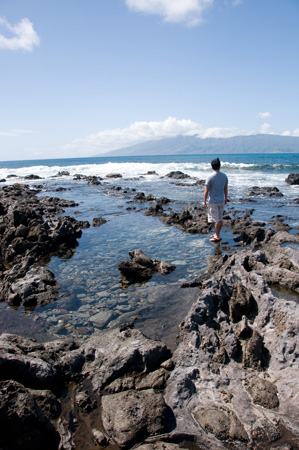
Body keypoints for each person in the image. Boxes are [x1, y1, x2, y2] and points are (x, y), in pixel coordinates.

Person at [203, 158, 228, 242]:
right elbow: (225, 189)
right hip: (221, 200)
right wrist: (225, 198)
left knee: (217, 220)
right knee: (219, 219)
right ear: (219, 166)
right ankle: (217, 233)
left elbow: (206, 190)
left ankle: (217, 236)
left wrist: (204, 201)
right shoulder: (224, 176)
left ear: (212, 166)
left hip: (213, 201)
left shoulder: (210, 177)